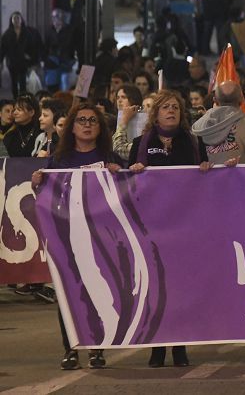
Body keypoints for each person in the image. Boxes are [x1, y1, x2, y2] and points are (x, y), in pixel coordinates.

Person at [31, 101, 122, 370]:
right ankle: (70, 348)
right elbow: (46, 193)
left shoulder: (111, 157)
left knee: (99, 291)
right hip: (68, 236)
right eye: (81, 120)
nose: (86, 125)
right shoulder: (60, 160)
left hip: (102, 237)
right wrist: (38, 180)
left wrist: (123, 173)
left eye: (92, 121)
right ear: (71, 127)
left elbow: (133, 187)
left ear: (100, 127)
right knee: (68, 292)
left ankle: (96, 347)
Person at [128, 89, 210, 368]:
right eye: (165, 107)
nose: (171, 111)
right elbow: (128, 185)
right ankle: (157, 346)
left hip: (185, 227)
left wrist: (211, 170)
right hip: (152, 227)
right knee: (155, 290)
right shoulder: (140, 143)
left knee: (179, 289)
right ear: (156, 114)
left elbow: (208, 182)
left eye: (175, 106)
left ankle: (179, 346)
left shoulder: (196, 142)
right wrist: (134, 170)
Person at [192, 81, 245, 165]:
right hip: (241, 178)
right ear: (241, 99)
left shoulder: (197, 126)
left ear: (215, 100)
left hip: (208, 178)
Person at [1, 12, 43, 97]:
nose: (16, 21)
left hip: (23, 62)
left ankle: (23, 100)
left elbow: (33, 46)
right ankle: (16, 99)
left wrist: (31, 57)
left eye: (18, 18)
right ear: (12, 20)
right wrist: (1, 61)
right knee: (14, 83)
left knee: (23, 82)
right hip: (12, 63)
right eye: (14, 19)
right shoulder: (7, 34)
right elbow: (3, 49)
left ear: (21, 20)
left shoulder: (27, 33)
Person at [112, 84, 145, 161]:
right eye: (117, 97)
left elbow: (119, 149)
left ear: (133, 99)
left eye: (123, 97)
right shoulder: (112, 121)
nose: (119, 100)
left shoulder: (145, 119)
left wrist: (124, 120)